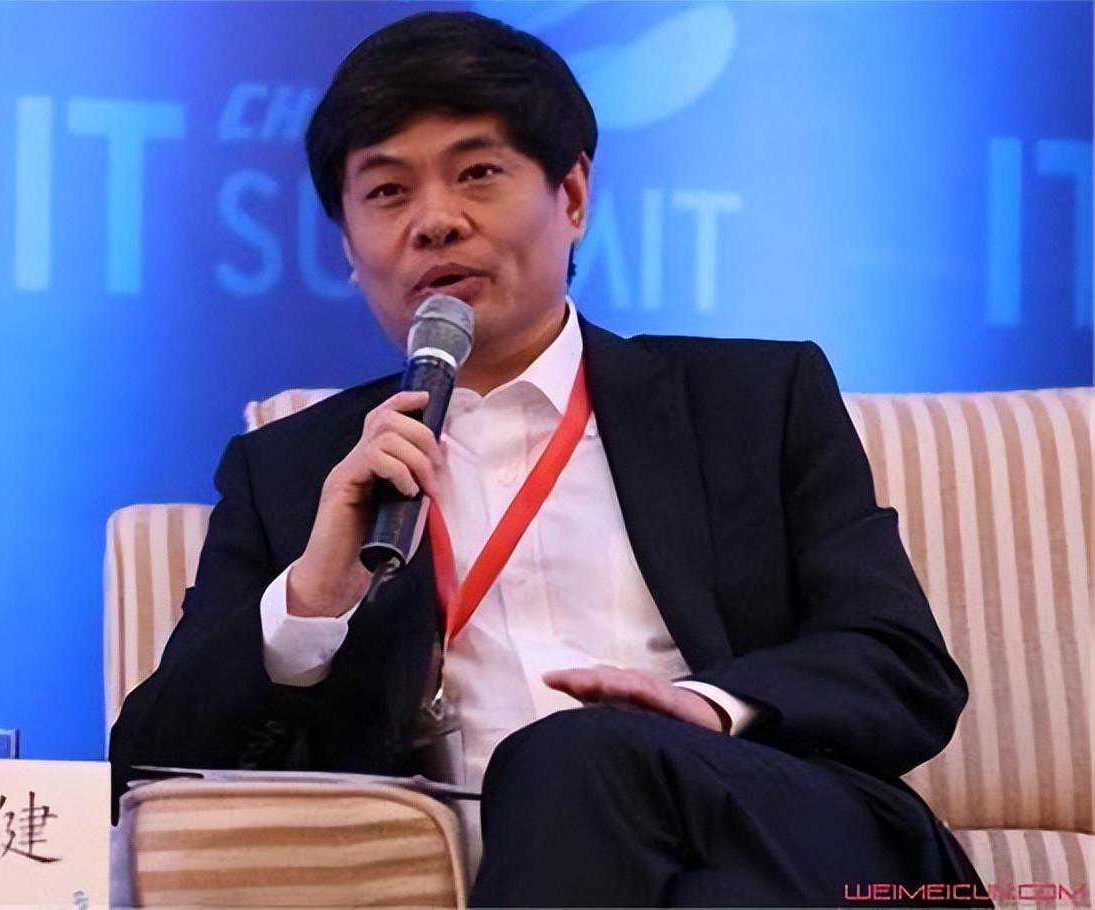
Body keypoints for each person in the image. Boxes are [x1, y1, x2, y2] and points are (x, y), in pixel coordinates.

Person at [109, 11, 992, 907]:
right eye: (387, 192)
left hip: (777, 836)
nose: (435, 222)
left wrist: (706, 706)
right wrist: (311, 602)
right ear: (347, 248)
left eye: (477, 174)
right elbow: (143, 770)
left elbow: (901, 668)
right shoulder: (295, 473)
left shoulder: (753, 401)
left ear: (571, 196)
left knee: (570, 755)